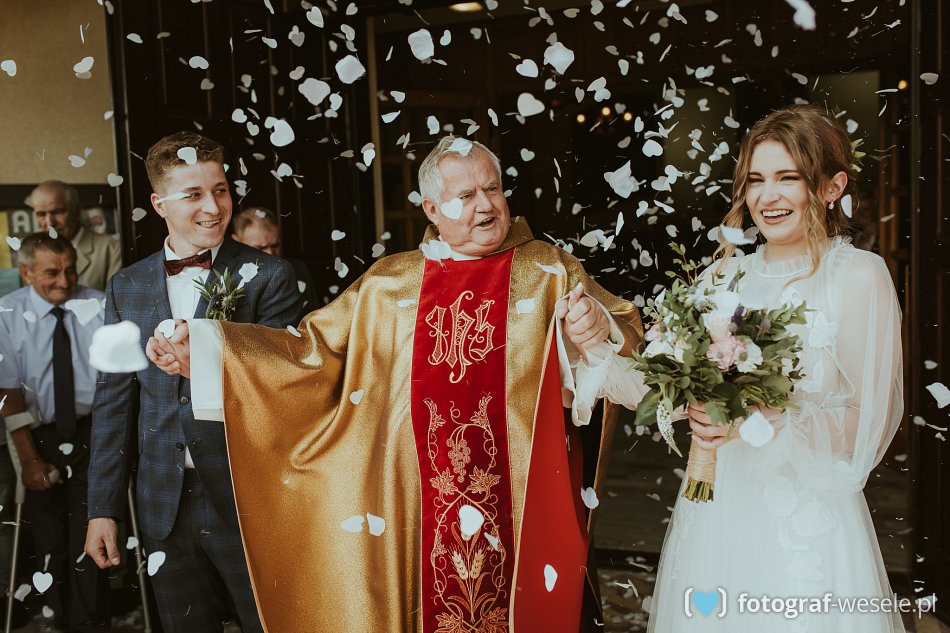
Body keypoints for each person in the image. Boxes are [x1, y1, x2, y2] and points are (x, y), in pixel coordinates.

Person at [148, 136, 644, 632]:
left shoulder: (548, 269)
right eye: (466, 195)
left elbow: (628, 339)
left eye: (492, 188)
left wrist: (595, 331)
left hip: (522, 505)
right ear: (431, 208)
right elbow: (309, 353)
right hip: (416, 512)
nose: (486, 205)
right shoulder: (388, 285)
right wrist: (211, 352)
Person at [591, 104, 904, 632]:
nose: (767, 196)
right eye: (756, 180)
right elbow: (659, 388)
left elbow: (865, 420)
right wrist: (595, 343)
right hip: (719, 513)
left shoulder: (857, 276)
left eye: (788, 178)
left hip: (806, 519)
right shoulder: (722, 276)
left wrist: (766, 421)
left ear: (832, 187)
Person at [82, 132, 303, 633]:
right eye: (194, 195)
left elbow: (285, 386)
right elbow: (113, 405)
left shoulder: (267, 275)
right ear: (159, 204)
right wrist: (102, 510)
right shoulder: (126, 286)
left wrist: (202, 365)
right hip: (163, 501)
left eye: (220, 190)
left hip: (247, 497)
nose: (213, 207)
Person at [0, 233, 110, 632]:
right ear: (26, 273)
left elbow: (116, 382)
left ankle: (89, 623)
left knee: (92, 530)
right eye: (52, 272)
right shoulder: (7, 314)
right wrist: (29, 460)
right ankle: (58, 620)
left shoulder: (99, 305)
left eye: (70, 270)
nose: (65, 281)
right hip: (36, 434)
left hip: (92, 432)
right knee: (49, 538)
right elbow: (9, 395)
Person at [28, 181, 122, 291]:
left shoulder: (112, 249)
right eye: (41, 214)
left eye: (57, 212)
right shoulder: (32, 252)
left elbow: (114, 299)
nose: (50, 222)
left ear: (77, 211)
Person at [231, 205, 319, 310]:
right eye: (260, 248)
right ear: (237, 242)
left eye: (275, 245)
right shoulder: (228, 277)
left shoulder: (298, 269)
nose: (270, 254)